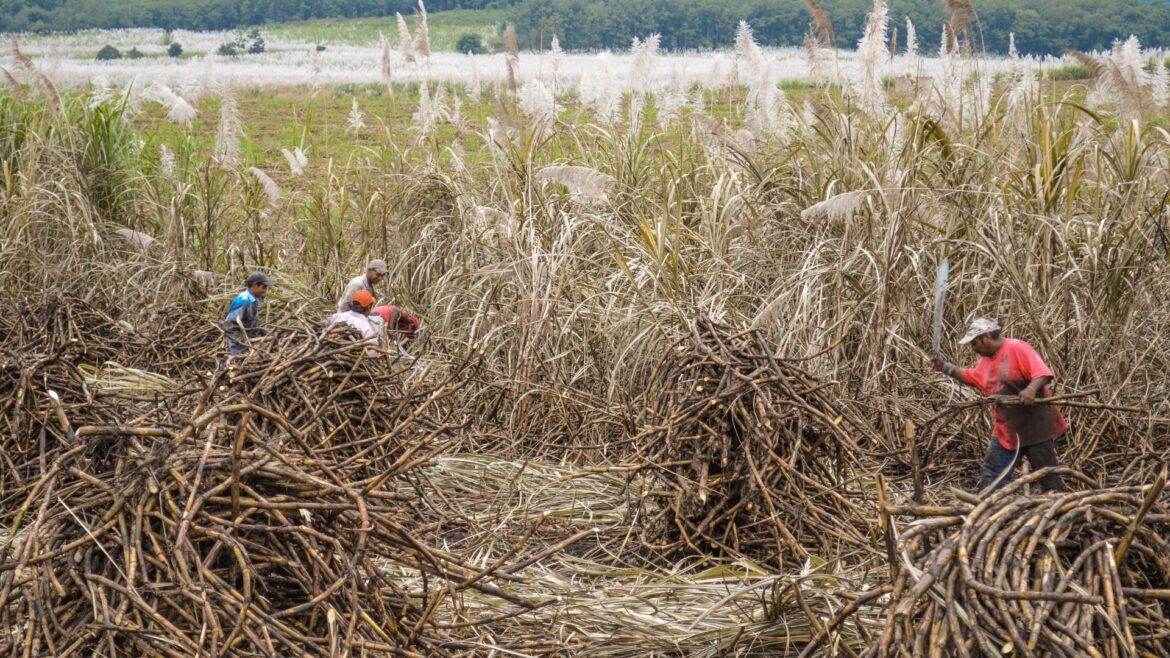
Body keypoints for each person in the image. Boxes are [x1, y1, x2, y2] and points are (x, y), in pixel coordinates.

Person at [932, 318, 1068, 494]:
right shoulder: (987, 361)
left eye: (974, 343)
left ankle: (1059, 507)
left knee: (1048, 475)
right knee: (993, 472)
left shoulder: (1017, 348)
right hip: (1007, 429)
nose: (973, 348)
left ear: (986, 337)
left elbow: (1043, 373)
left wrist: (1031, 389)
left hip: (1036, 426)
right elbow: (972, 377)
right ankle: (987, 508)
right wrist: (945, 367)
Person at [224, 271, 270, 354]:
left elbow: (250, 321)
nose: (265, 290)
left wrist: (263, 333)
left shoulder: (253, 299)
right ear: (255, 285)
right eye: (264, 287)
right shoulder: (244, 301)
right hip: (241, 349)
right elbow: (228, 325)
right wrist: (243, 342)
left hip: (251, 344)